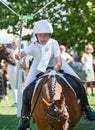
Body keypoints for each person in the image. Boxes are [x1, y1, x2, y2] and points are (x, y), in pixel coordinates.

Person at [17, 20, 95, 130]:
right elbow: (22, 54)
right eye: (40, 35)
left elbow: (58, 61)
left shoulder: (54, 43)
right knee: (26, 90)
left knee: (78, 81)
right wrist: (18, 56)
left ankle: (87, 108)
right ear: (36, 35)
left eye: (45, 35)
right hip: (38, 65)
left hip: (57, 63)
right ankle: (25, 119)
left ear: (49, 35)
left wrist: (55, 69)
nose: (43, 38)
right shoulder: (33, 45)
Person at [7, 36, 19, 107]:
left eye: (14, 42)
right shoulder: (10, 51)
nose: (13, 43)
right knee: (12, 85)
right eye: (12, 42)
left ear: (17, 43)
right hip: (10, 69)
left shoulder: (19, 51)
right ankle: (15, 101)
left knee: (17, 85)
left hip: (16, 69)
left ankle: (18, 101)